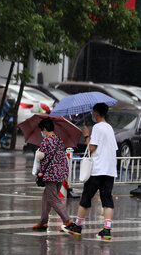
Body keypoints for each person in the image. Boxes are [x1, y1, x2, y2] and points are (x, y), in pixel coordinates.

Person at [62, 103, 117, 240]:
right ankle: (107, 230)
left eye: (93, 112)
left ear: (97, 113)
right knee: (107, 199)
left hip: (97, 169)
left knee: (86, 197)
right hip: (109, 170)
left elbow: (92, 148)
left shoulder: (98, 127)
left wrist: (87, 136)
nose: (92, 114)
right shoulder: (109, 127)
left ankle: (78, 226)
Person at [32, 118, 72, 231]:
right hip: (61, 173)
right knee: (47, 198)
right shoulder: (59, 140)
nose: (42, 133)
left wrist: (38, 153)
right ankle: (43, 222)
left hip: (51, 175)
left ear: (45, 129)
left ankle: (67, 220)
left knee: (53, 199)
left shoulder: (46, 141)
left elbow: (41, 156)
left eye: (42, 130)